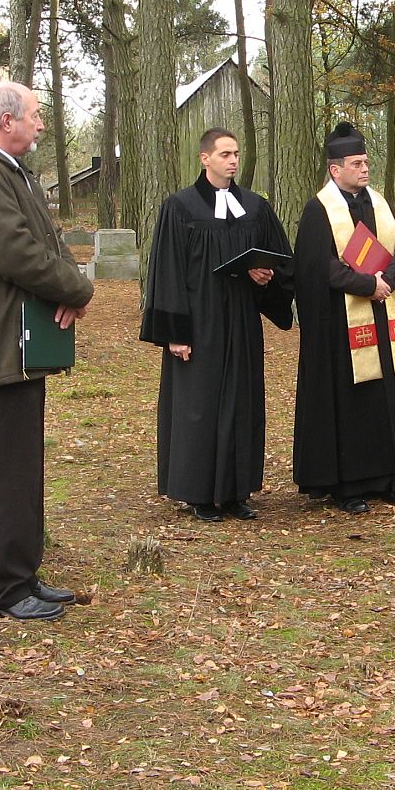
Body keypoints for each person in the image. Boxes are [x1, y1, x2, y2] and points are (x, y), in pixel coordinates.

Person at [0, 81, 95, 620]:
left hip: (20, 344)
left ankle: (24, 573)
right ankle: (4, 587)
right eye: (34, 115)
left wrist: (65, 285)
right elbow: (13, 253)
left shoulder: (9, 171)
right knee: (7, 468)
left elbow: (43, 242)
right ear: (7, 121)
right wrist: (75, 288)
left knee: (24, 465)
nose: (40, 123)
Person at [140, 128, 294, 522]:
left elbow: (281, 260)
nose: (233, 161)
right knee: (200, 405)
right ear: (204, 158)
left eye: (236, 154)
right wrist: (174, 332)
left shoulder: (255, 208)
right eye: (224, 154)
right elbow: (167, 272)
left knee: (241, 401)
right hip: (200, 322)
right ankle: (199, 494)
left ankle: (236, 491)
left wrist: (266, 276)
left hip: (241, 321)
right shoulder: (180, 207)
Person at [292, 121, 395, 513]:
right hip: (340, 324)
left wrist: (390, 279)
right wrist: (367, 285)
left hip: (385, 319)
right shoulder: (318, 210)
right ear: (335, 169)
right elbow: (317, 266)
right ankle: (348, 483)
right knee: (351, 400)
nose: (365, 169)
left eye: (367, 162)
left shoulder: (379, 204)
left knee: (390, 394)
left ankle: (392, 476)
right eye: (357, 163)